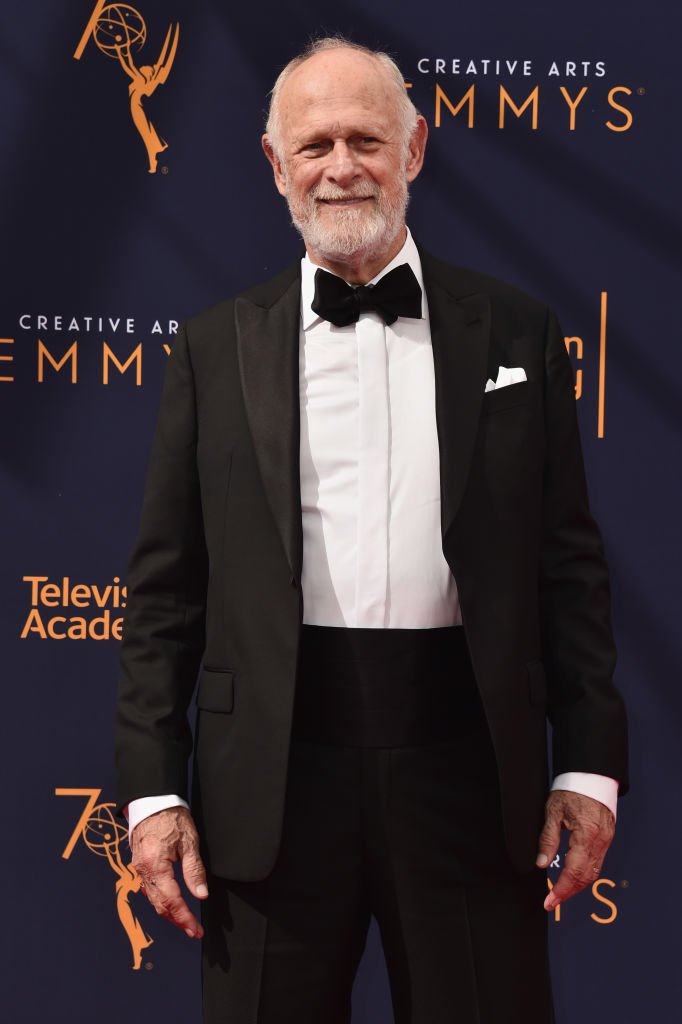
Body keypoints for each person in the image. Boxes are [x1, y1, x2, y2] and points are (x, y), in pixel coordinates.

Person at [115, 36, 628, 1024]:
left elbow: (568, 568)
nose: (341, 166)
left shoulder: (517, 332)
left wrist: (587, 763)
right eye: (313, 145)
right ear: (273, 164)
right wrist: (150, 790)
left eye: (366, 138)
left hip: (472, 775)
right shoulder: (214, 347)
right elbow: (165, 591)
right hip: (267, 779)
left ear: (415, 149)